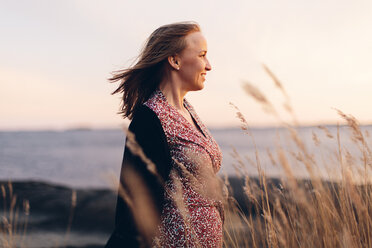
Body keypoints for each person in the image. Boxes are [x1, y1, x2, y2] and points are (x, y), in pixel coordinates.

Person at [105, 21, 224, 248]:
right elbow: (134, 208)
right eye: (202, 55)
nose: (208, 66)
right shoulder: (150, 119)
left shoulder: (188, 110)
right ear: (175, 60)